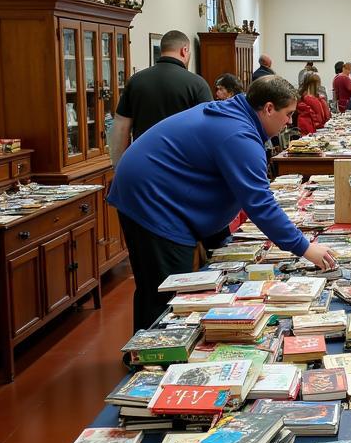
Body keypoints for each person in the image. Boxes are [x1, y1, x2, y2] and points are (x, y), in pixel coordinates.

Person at [108, 76, 337, 332]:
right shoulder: (239, 135)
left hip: (155, 190)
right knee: (168, 289)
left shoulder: (238, 113)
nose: (289, 122)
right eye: (287, 114)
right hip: (151, 200)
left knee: (170, 282)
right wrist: (304, 248)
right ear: (269, 108)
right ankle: (152, 356)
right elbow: (259, 203)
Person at [109, 30, 212, 163]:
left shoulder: (135, 81)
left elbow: (121, 127)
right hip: (182, 164)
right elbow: (208, 128)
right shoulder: (197, 84)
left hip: (143, 162)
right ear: (184, 50)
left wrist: (119, 166)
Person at [297, 70, 331, 136]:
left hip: (311, 131)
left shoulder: (304, 99)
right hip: (312, 132)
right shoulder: (311, 101)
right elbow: (323, 118)